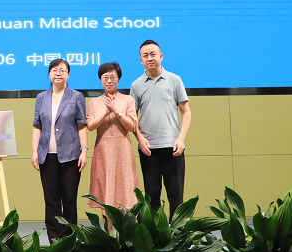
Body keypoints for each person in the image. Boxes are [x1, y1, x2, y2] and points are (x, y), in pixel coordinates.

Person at [130, 39, 191, 219]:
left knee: (176, 196)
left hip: (174, 147)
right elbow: (132, 118)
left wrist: (181, 139)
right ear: (140, 60)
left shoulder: (174, 80)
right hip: (148, 149)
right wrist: (140, 139)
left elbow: (186, 111)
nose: (150, 58)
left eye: (153, 54)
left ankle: (178, 234)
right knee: (152, 197)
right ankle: (155, 234)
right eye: (145, 55)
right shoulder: (136, 85)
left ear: (161, 56)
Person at [31, 58, 88, 241]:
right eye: (54, 70)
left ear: (68, 74)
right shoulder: (41, 98)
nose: (58, 73)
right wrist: (34, 152)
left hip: (71, 156)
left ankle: (69, 240)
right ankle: (55, 241)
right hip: (47, 156)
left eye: (62, 70)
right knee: (51, 201)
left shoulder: (76, 96)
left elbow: (81, 125)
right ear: (49, 74)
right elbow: (37, 126)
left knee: (69, 199)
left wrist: (84, 151)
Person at [86, 62, 139, 231]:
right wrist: (105, 113)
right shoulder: (94, 102)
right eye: (105, 77)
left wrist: (117, 111)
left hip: (122, 150)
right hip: (102, 151)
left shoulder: (128, 99)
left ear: (119, 79)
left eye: (113, 77)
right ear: (100, 80)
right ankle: (109, 237)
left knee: (125, 193)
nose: (109, 81)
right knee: (106, 195)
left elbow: (132, 127)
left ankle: (124, 237)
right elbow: (90, 126)